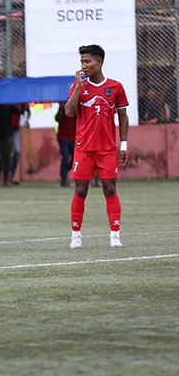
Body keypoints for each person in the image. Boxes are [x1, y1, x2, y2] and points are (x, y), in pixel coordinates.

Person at [64, 44, 129, 249]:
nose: (84, 65)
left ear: (99, 62)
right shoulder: (78, 86)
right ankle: (76, 236)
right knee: (81, 190)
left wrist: (123, 145)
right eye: (82, 62)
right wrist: (77, 87)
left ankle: (115, 235)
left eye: (87, 61)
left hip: (107, 148)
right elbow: (69, 113)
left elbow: (123, 116)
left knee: (110, 189)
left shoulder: (116, 87)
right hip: (83, 147)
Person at [55, 103, 76, 187]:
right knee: (65, 157)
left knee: (75, 159)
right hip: (63, 137)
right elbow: (57, 119)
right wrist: (61, 108)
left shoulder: (75, 109)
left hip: (74, 137)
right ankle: (63, 179)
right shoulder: (62, 110)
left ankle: (64, 172)